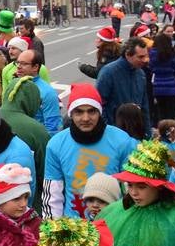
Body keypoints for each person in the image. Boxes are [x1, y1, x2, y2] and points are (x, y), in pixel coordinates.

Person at [43, 85, 137, 219]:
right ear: (71, 114)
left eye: (91, 111)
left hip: (114, 223)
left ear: (99, 112)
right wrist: (53, 231)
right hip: (74, 228)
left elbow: (131, 189)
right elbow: (53, 194)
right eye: (79, 112)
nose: (85, 118)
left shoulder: (123, 141)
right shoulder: (56, 144)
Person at [96, 38, 151, 132]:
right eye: (140, 57)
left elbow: (144, 106)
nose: (145, 60)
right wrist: (109, 131)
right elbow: (99, 105)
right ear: (128, 55)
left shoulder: (140, 74)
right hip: (115, 133)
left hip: (136, 133)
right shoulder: (109, 72)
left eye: (146, 56)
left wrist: (147, 133)